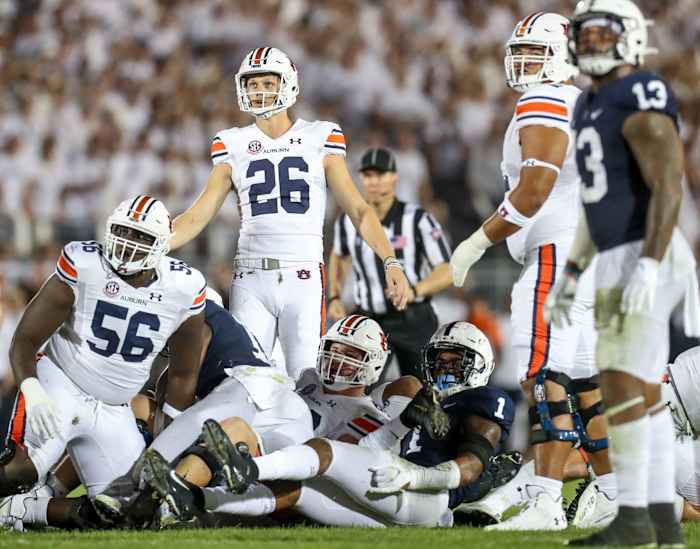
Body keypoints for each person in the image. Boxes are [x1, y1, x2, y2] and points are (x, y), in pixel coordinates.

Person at [449, 12, 613, 530]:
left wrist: (477, 241)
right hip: (596, 253)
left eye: (535, 53)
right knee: (585, 378)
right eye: (519, 52)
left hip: (555, 252)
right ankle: (610, 490)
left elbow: (535, 188)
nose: (523, 64)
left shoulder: (545, 99)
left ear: (563, 55)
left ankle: (543, 497)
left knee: (544, 376)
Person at [545, 1, 700, 545]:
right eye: (583, 34)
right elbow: (597, 201)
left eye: (602, 33)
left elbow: (669, 184)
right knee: (629, 389)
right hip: (614, 253)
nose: (590, 43)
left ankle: (640, 517)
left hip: (645, 250)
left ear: (630, 36)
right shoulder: (588, 103)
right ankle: (653, 519)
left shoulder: (641, 91)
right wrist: (574, 271)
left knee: (630, 390)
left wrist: (651, 265)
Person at [168, 47, 409, 381]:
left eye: (268, 81)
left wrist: (390, 261)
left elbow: (358, 209)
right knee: (244, 378)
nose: (260, 90)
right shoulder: (232, 143)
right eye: (252, 84)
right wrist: (157, 245)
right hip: (251, 276)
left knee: (304, 379)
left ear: (289, 84)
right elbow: (198, 214)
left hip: (304, 275)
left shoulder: (319, 136)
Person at [132, 322, 516, 529]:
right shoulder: (315, 382)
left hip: (414, 494)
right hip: (378, 488)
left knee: (322, 454)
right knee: (296, 490)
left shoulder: (482, 399)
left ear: (480, 364)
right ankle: (186, 501)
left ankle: (241, 469)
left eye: (456, 362)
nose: (445, 370)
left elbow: (472, 464)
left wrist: (414, 473)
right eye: (441, 360)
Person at [0, 196, 206, 508]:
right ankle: (23, 504)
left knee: (132, 508)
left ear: (162, 244)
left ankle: (24, 511)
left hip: (115, 409)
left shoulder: (184, 286)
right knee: (18, 473)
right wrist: (33, 389)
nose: (128, 243)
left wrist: (168, 436)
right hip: (62, 385)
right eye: (123, 231)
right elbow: (25, 340)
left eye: (141, 236)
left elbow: (183, 372)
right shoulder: (86, 264)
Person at [329, 147, 452, 378]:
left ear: (395, 177)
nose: (373, 181)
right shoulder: (349, 221)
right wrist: (334, 295)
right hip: (369, 319)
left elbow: (447, 269)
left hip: (413, 318)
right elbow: (339, 255)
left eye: (380, 174)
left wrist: (415, 291)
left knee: (421, 396)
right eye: (368, 175)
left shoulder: (417, 219)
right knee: (358, 389)